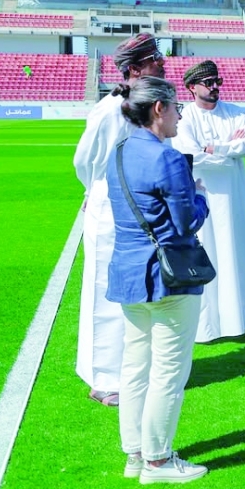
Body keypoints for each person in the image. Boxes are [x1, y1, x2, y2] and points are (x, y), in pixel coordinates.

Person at [105, 75, 209, 484]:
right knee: (168, 370)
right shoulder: (166, 157)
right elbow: (186, 221)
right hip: (168, 276)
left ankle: (136, 453)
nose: (180, 116)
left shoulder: (119, 151)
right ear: (159, 109)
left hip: (129, 272)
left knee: (135, 365)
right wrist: (199, 194)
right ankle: (158, 460)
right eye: (177, 108)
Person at [72, 33, 165, 406]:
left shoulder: (149, 105)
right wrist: (94, 190)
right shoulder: (109, 110)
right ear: (135, 67)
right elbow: (85, 161)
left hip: (141, 210)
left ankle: (130, 370)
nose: (162, 62)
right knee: (104, 291)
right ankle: (103, 378)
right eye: (154, 58)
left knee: (137, 290)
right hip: (110, 207)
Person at [172, 60, 245, 343]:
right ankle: (205, 326)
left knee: (241, 254)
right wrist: (226, 151)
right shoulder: (184, 118)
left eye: (216, 81)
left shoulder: (235, 113)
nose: (214, 86)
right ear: (191, 88)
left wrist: (216, 148)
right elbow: (190, 154)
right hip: (202, 197)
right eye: (207, 82)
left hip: (235, 198)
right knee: (206, 253)